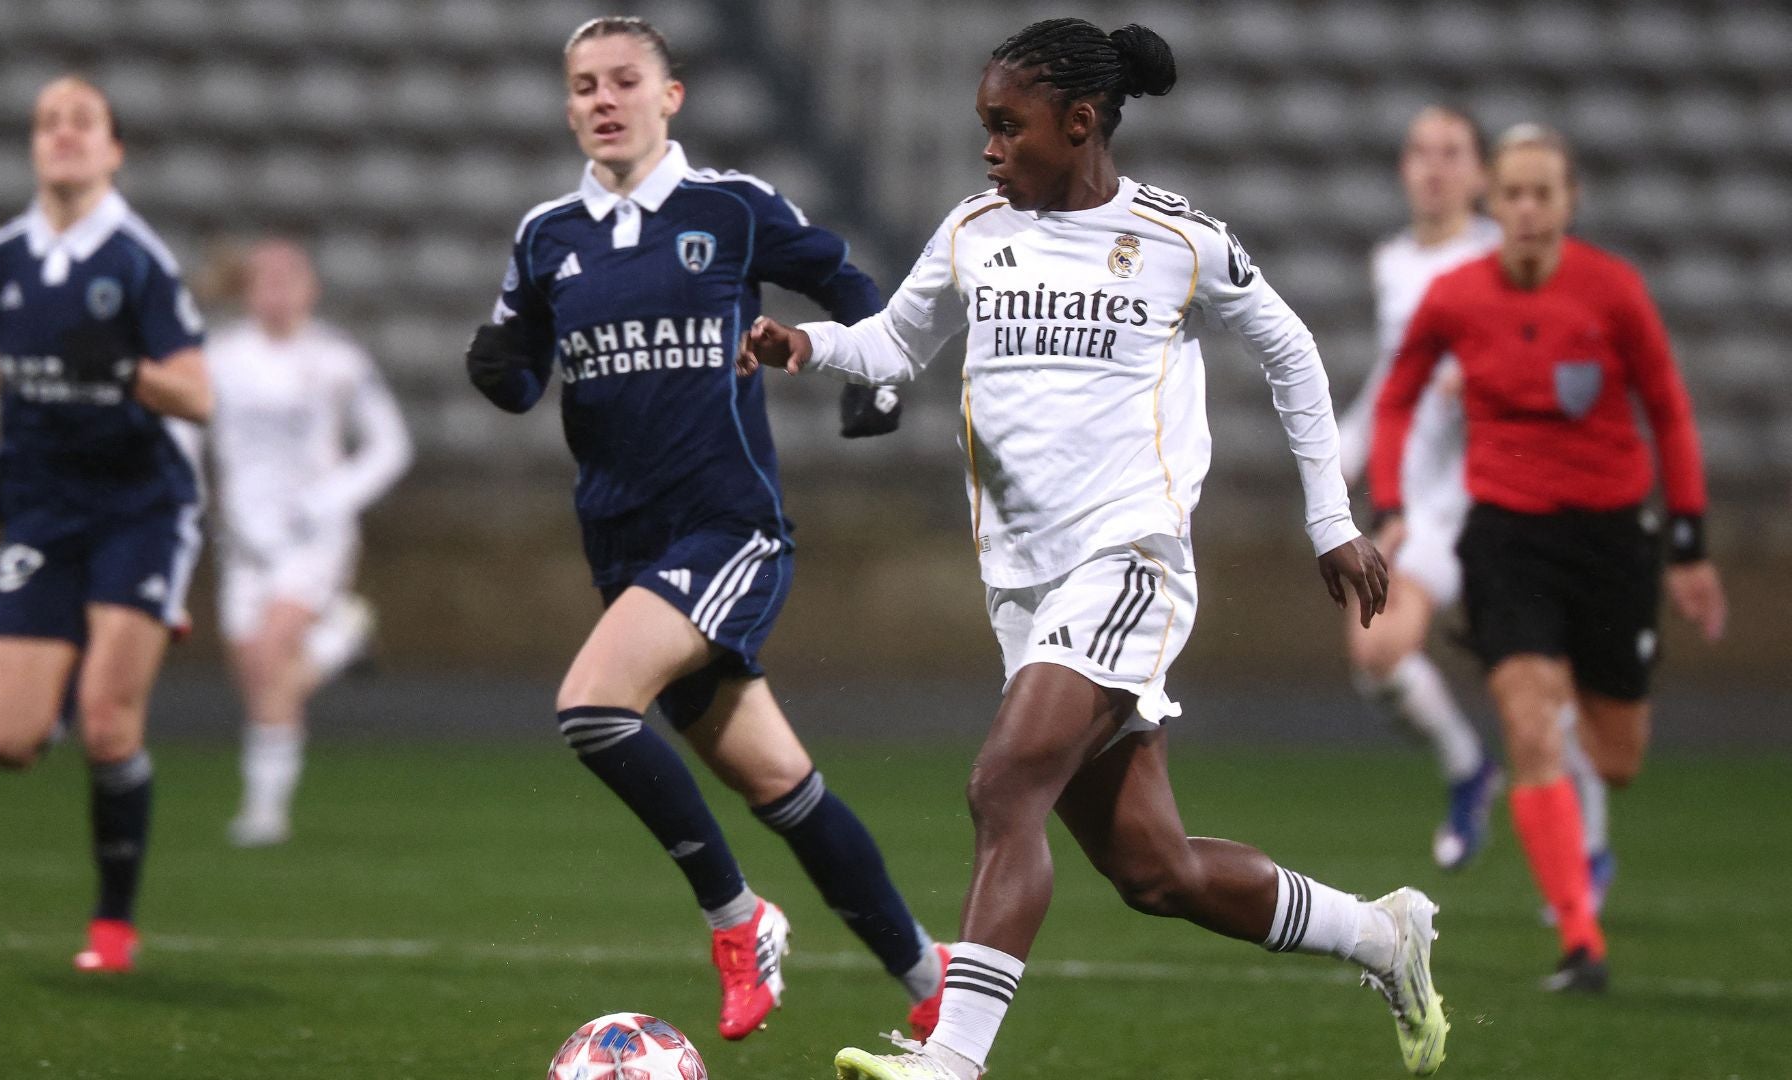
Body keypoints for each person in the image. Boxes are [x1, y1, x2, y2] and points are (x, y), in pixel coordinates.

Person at [741, 19, 1446, 1079]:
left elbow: (1293, 352)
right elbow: (897, 338)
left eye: (1005, 126)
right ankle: (1380, 934)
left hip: (1129, 561)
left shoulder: (1176, 241)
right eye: (984, 126)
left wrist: (1330, 518)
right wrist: (812, 345)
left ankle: (953, 1061)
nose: (988, 148)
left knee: (1004, 784)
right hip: (1022, 586)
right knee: (1153, 870)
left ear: (1079, 125)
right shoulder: (976, 228)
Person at [461, 16, 940, 1041]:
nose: (602, 99)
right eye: (583, 84)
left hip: (727, 527)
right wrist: (501, 368)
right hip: (623, 545)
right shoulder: (548, 234)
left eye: (623, 79)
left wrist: (873, 378)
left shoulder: (730, 208)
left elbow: (852, 285)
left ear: (668, 96)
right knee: (782, 784)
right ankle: (928, 975)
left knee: (592, 708)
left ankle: (739, 919)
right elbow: (517, 360)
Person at [1371, 123, 1726, 992]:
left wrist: (1687, 541)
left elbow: (1669, 409)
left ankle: (1572, 748)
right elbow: (1396, 401)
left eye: (1544, 193)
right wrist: (1389, 505)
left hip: (1610, 542)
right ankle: (1580, 940)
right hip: (1507, 537)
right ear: (1492, 200)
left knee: (1617, 756)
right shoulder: (1454, 296)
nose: (1528, 209)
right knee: (1528, 723)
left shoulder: (1612, 291)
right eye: (1515, 193)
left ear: (1569, 203)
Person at [0, 75, 211, 973]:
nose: (62, 135)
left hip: (140, 506)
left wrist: (130, 372)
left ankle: (112, 926)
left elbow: (199, 395)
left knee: (108, 723)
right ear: (34, 145)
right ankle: (79, 665)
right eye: (47, 122)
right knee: (6, 743)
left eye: (82, 122)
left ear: (113, 148)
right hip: (42, 509)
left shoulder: (137, 261)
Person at [1338, 106, 1615, 885]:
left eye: (1452, 152)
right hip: (1427, 505)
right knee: (1378, 651)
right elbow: (1393, 385)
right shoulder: (1393, 263)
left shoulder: (1509, 256)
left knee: (1542, 680)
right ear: (1403, 167)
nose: (1434, 167)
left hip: (1508, 498)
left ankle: (1589, 846)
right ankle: (1469, 770)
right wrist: (1338, 459)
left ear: (1481, 175)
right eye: (1421, 151)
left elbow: (1571, 364)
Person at [206, 239, 413, 847]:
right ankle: (342, 637)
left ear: (311, 287)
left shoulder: (336, 359)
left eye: (288, 276)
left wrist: (328, 500)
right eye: (263, 278)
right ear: (245, 289)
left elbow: (391, 445)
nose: (276, 289)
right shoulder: (218, 357)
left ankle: (263, 814)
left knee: (271, 656)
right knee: (257, 674)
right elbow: (190, 436)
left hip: (312, 538)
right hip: (243, 539)